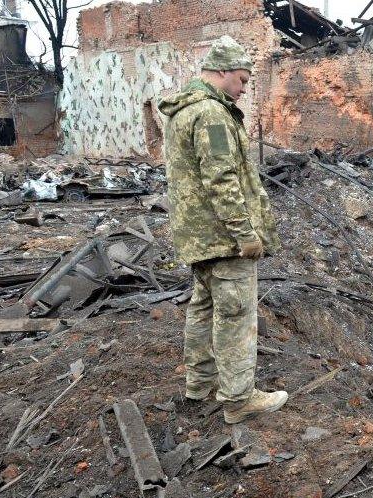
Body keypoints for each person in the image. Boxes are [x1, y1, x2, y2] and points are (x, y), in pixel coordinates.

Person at [158, 36, 286, 424]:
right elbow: (221, 178)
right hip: (222, 238)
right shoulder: (212, 115)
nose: (244, 89)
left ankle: (199, 384)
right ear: (224, 71)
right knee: (235, 313)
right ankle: (238, 399)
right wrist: (245, 232)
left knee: (204, 308)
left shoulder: (183, 110)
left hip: (197, 237)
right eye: (243, 80)